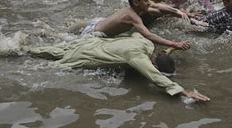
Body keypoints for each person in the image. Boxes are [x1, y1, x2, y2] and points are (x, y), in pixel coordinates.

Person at [28, 32, 210, 102]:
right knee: (47, 66)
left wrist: (170, 49)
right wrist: (185, 92)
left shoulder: (146, 44)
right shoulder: (138, 58)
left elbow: (137, 33)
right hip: (82, 56)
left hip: (87, 43)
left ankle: (18, 48)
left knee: (34, 51)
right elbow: (155, 76)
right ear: (153, 62)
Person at [82, 0, 191, 50]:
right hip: (95, 33)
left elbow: (158, 8)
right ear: (135, 2)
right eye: (146, 0)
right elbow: (149, 35)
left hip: (98, 22)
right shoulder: (132, 16)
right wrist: (174, 44)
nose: (149, 3)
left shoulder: (136, 8)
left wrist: (181, 13)